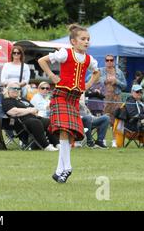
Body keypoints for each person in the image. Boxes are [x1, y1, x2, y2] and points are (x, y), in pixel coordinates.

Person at [38, 24, 100, 183]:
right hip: (61, 96)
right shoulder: (65, 53)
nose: (86, 42)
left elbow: (97, 72)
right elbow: (42, 60)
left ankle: (60, 171)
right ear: (73, 41)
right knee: (64, 129)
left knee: (68, 132)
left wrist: (88, 85)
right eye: (83, 39)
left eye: (88, 39)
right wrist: (52, 76)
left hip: (74, 99)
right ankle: (68, 168)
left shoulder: (89, 59)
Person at [1, 82, 59, 151]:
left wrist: (25, 111)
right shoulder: (7, 100)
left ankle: (57, 144)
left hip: (33, 118)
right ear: (8, 90)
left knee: (49, 121)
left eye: (18, 88)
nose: (16, 90)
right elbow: (13, 112)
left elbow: (34, 109)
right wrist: (28, 110)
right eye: (14, 88)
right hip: (20, 123)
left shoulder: (22, 99)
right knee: (35, 122)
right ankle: (46, 146)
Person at [99, 54, 127, 147]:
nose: (109, 62)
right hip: (104, 98)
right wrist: (104, 80)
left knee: (116, 119)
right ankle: (101, 139)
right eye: (107, 60)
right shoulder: (101, 70)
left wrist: (117, 81)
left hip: (116, 97)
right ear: (105, 61)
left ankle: (115, 140)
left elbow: (125, 85)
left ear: (114, 61)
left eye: (111, 60)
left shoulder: (119, 72)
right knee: (104, 119)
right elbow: (91, 80)